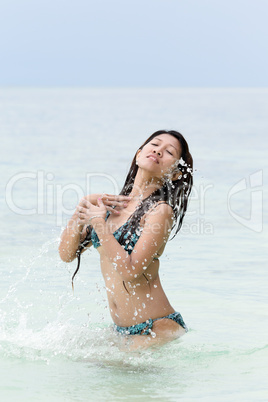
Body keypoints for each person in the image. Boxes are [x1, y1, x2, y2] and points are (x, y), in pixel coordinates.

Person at [59, 130, 193, 349]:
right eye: (154, 144)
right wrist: (81, 209)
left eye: (169, 152)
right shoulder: (113, 207)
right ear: (139, 154)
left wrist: (99, 224)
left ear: (175, 174)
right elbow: (66, 254)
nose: (158, 150)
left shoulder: (160, 211)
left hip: (155, 328)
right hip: (122, 331)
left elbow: (130, 271)